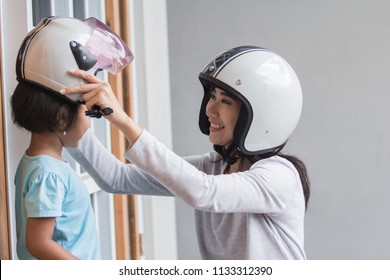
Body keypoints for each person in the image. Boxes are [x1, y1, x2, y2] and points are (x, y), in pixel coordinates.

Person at [63, 46, 311, 260]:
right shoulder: (212, 168)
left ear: (260, 116)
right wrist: (71, 127)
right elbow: (116, 178)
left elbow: (205, 193)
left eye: (225, 101)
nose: (210, 110)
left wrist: (122, 119)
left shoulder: (280, 177)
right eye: (212, 96)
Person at [11, 16, 133, 259]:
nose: (89, 122)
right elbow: (38, 242)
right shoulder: (49, 174)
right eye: (87, 111)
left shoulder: (39, 164)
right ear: (61, 118)